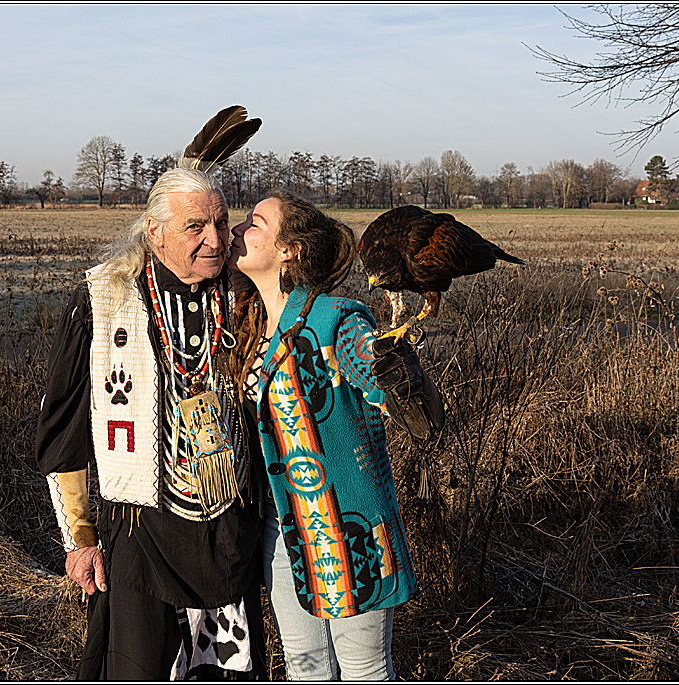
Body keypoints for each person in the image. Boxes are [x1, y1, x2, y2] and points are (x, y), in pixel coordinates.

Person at [35, 167, 267, 680]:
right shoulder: (103, 301)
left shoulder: (245, 298)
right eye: (195, 226)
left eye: (222, 222)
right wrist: (79, 538)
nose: (214, 239)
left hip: (228, 536)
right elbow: (63, 435)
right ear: (154, 231)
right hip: (141, 536)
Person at [227, 191, 444, 680]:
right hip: (282, 537)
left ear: (290, 250)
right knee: (305, 671)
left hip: (349, 532)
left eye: (254, 222)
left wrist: (397, 375)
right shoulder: (248, 324)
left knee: (364, 671)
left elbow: (378, 377)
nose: (239, 229)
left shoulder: (337, 320)